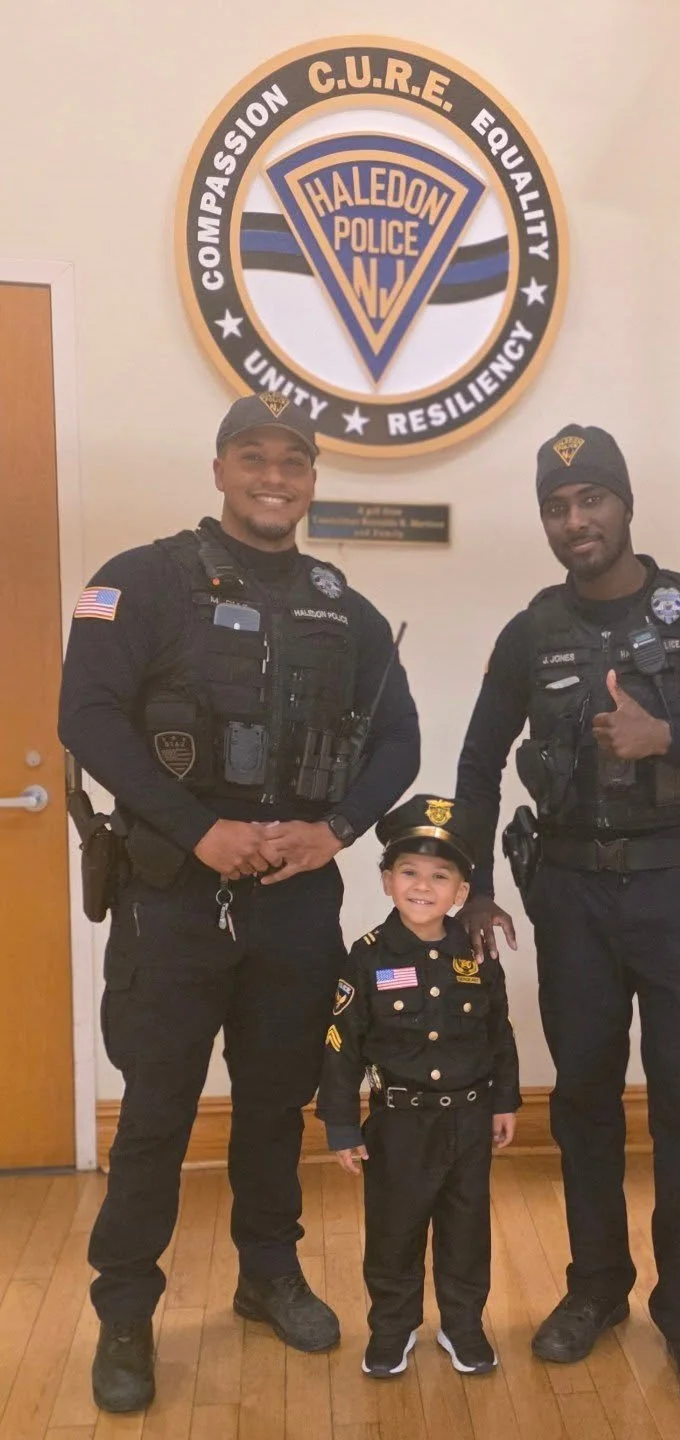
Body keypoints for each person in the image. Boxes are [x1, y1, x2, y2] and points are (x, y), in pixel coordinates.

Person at [58, 392, 420, 1414]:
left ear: (311, 480)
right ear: (220, 468)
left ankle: (269, 1275)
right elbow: (85, 717)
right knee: (157, 1117)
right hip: (173, 897)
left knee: (274, 1105)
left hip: (294, 904)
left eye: (294, 462)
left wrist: (336, 827)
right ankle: (125, 1314)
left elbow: (400, 739)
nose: (275, 477)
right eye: (254, 457)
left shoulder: (339, 604)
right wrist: (196, 829)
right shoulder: (139, 582)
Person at [454, 424, 680, 1414]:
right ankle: (596, 1288)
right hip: (572, 897)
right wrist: (475, 886)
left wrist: (665, 735)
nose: (574, 520)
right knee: (585, 1103)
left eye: (591, 499)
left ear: (624, 506)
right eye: (557, 507)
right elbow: (477, 762)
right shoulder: (531, 632)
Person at [316, 794, 520, 1378]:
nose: (423, 886)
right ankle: (392, 1329)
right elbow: (341, 1044)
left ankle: (463, 1326)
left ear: (461, 891)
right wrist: (341, 1124)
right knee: (394, 1231)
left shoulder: (476, 953)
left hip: (470, 1120)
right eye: (409, 872)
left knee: (465, 1230)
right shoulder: (367, 957)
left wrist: (505, 1100)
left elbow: (498, 1032)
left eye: (440, 875)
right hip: (398, 1124)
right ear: (387, 881)